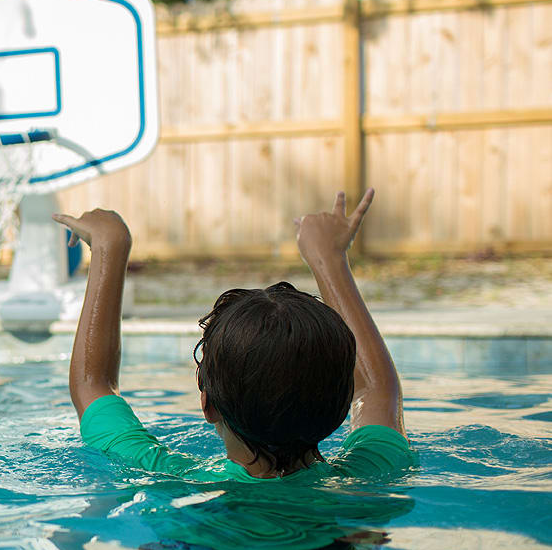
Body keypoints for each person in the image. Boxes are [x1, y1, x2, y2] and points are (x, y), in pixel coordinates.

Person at [52, 189, 414, 482]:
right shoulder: (368, 475)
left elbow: (92, 384)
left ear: (208, 405)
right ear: (341, 404)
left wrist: (109, 246)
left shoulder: (176, 481)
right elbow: (377, 389)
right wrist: (329, 259)